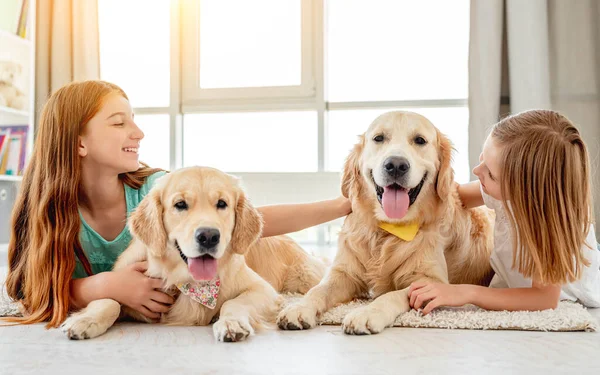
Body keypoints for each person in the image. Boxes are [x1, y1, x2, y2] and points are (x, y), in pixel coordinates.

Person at [5, 80, 351, 327]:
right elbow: (27, 289)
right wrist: (105, 286)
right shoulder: (49, 213)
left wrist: (338, 206)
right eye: (119, 122)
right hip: (122, 301)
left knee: (270, 262)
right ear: (79, 143)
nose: (138, 132)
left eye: (134, 119)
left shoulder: (156, 188)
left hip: (218, 272)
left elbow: (250, 219)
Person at [409, 109, 600, 314]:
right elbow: (452, 197)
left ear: (524, 193)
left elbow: (543, 299)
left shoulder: (551, 227)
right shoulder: (499, 190)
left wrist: (466, 292)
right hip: (512, 279)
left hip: (564, 292)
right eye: (483, 158)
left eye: (490, 173)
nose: (477, 171)